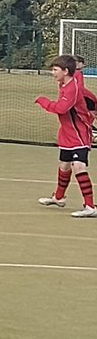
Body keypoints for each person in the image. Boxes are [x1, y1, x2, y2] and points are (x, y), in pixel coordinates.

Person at [36, 55, 97, 218]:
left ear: (65, 71)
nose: (52, 73)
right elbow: (77, 74)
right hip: (66, 133)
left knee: (78, 166)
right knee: (64, 166)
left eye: (55, 70)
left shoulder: (72, 89)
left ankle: (90, 206)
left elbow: (61, 108)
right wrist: (76, 65)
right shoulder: (67, 81)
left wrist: (43, 101)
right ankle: (59, 197)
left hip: (79, 134)